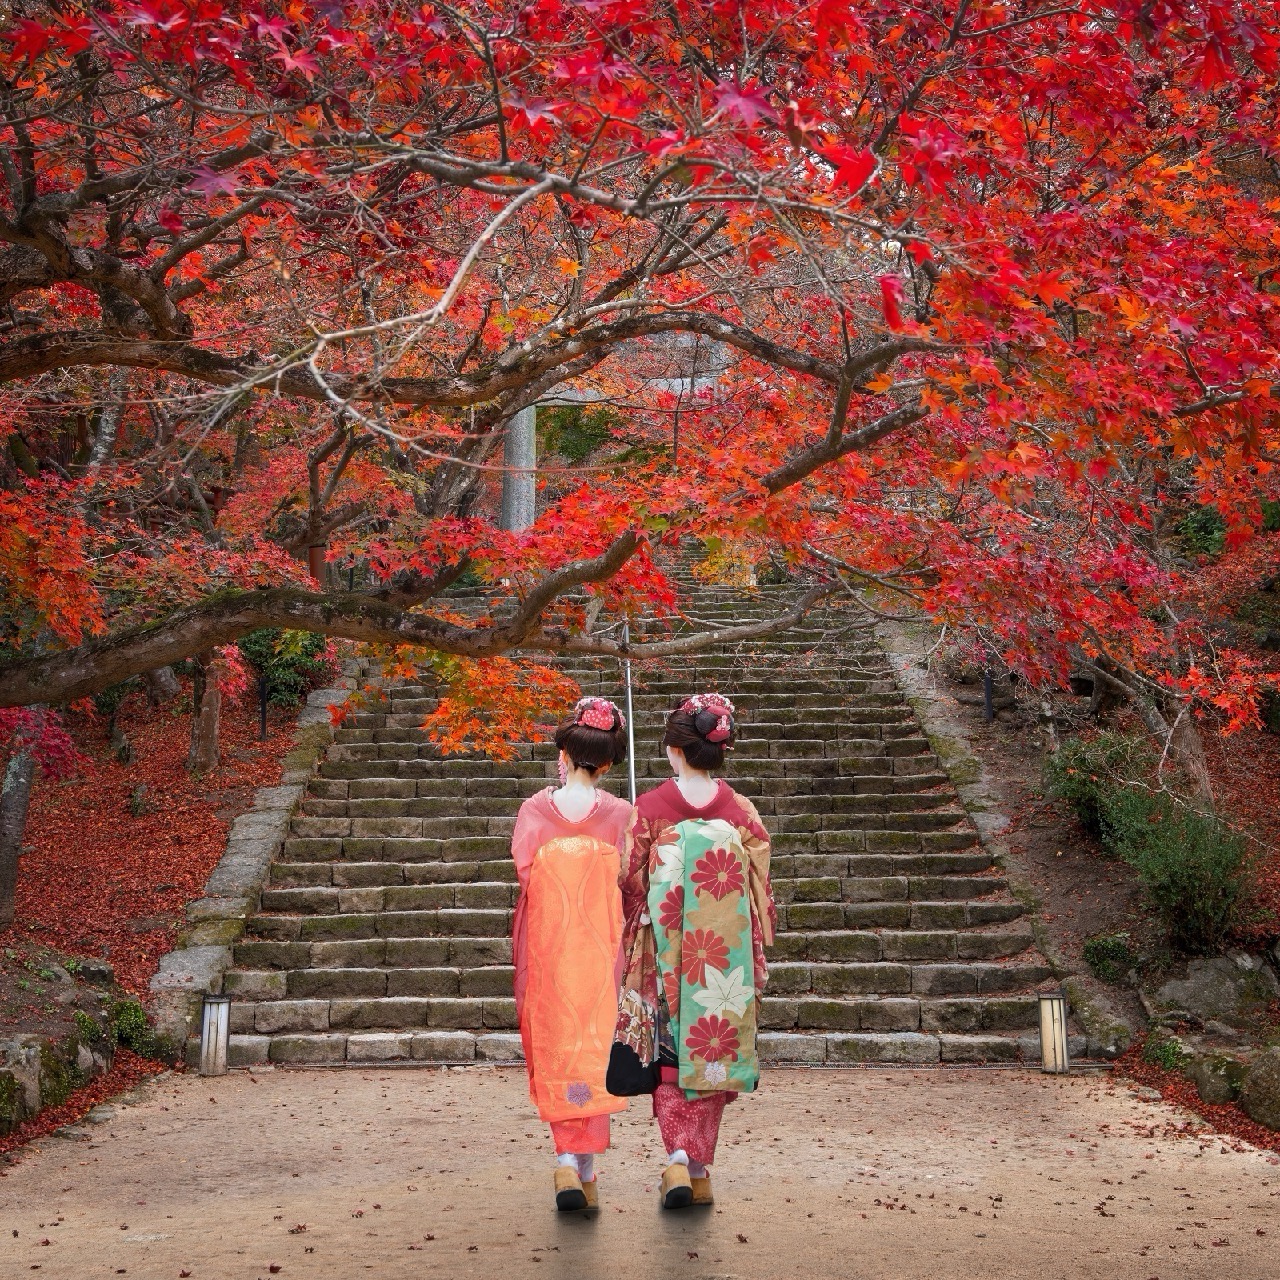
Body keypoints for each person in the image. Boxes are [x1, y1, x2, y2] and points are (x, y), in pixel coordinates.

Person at [619, 692, 775, 1209]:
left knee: (671, 1053)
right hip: (723, 957)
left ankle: (679, 1162)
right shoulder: (740, 811)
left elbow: (629, 880)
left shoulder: (651, 808)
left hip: (666, 953)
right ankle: (698, 1163)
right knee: (715, 1048)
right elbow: (758, 884)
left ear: (674, 751)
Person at [510, 696, 631, 1212]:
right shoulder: (622, 816)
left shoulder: (535, 811)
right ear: (605, 763)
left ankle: (566, 1160)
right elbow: (632, 881)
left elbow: (526, 874)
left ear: (564, 753)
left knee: (557, 1040)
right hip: (600, 954)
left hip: (549, 949)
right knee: (595, 1043)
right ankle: (584, 1166)